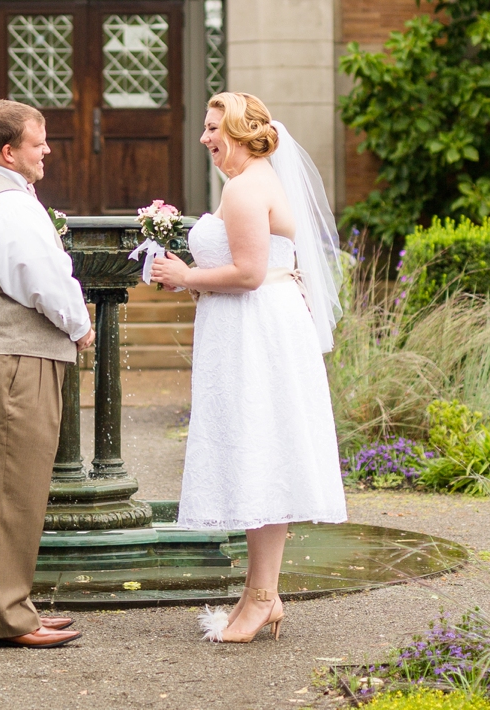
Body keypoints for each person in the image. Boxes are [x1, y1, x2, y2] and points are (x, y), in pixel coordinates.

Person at [147, 91, 347, 643]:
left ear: (237, 131)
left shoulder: (245, 188)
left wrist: (184, 277)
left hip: (256, 333)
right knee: (258, 455)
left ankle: (263, 597)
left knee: (262, 453)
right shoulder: (252, 183)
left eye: (214, 129)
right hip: (250, 329)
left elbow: (250, 273)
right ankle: (260, 594)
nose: (206, 138)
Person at [0, 98, 97, 648]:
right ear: (9, 152)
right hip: (8, 361)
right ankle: (11, 618)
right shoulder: (5, 204)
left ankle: (12, 608)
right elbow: (39, 276)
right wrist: (79, 324)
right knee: (12, 492)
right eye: (39, 143)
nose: (48, 151)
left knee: (3, 492)